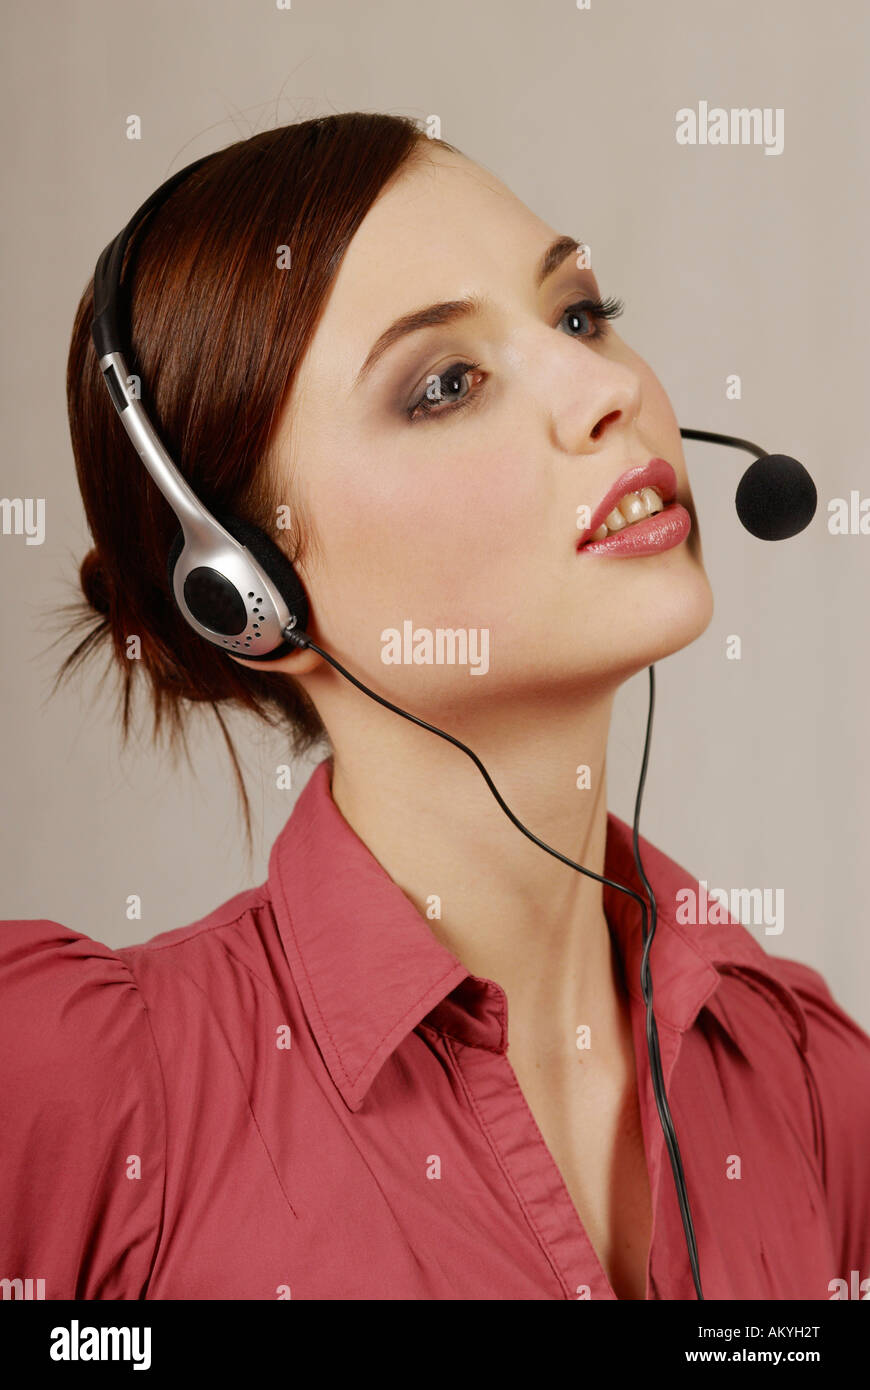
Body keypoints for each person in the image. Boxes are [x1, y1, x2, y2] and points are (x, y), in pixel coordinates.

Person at [1, 112, 868, 1302]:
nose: (604, 386)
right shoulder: (75, 1093)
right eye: (445, 384)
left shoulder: (812, 1086)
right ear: (247, 589)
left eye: (578, 313)